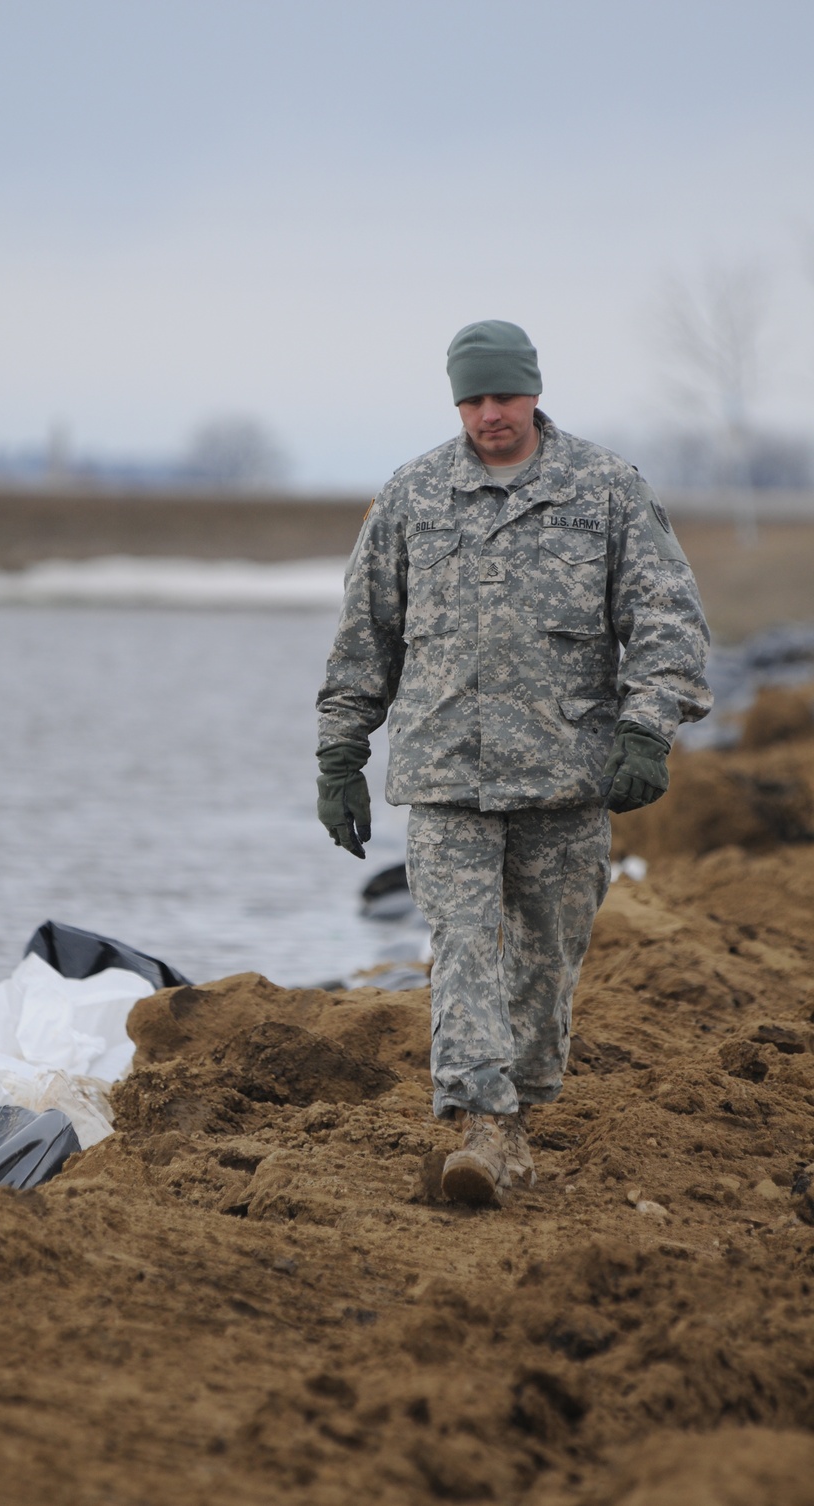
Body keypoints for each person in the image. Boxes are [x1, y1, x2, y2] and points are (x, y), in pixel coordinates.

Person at [315, 320, 711, 1208]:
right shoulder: (414, 494)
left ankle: (519, 1112)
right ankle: (481, 1123)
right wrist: (340, 751)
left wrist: (647, 729)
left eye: (504, 396)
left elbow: (667, 621)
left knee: (546, 952)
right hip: (447, 773)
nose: (490, 414)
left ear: (533, 392)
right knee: (462, 938)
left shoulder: (605, 490)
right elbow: (365, 637)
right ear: (456, 400)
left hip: (568, 775)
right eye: (473, 398)